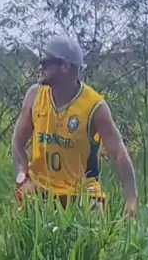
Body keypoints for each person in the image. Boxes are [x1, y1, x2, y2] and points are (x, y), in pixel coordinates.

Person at [12, 34, 137, 215]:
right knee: (22, 222)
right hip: (40, 188)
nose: (40, 66)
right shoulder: (35, 96)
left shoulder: (94, 106)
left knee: (94, 219)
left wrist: (131, 200)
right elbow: (17, 142)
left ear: (65, 66)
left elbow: (118, 153)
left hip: (82, 194)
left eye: (45, 62)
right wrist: (23, 177)